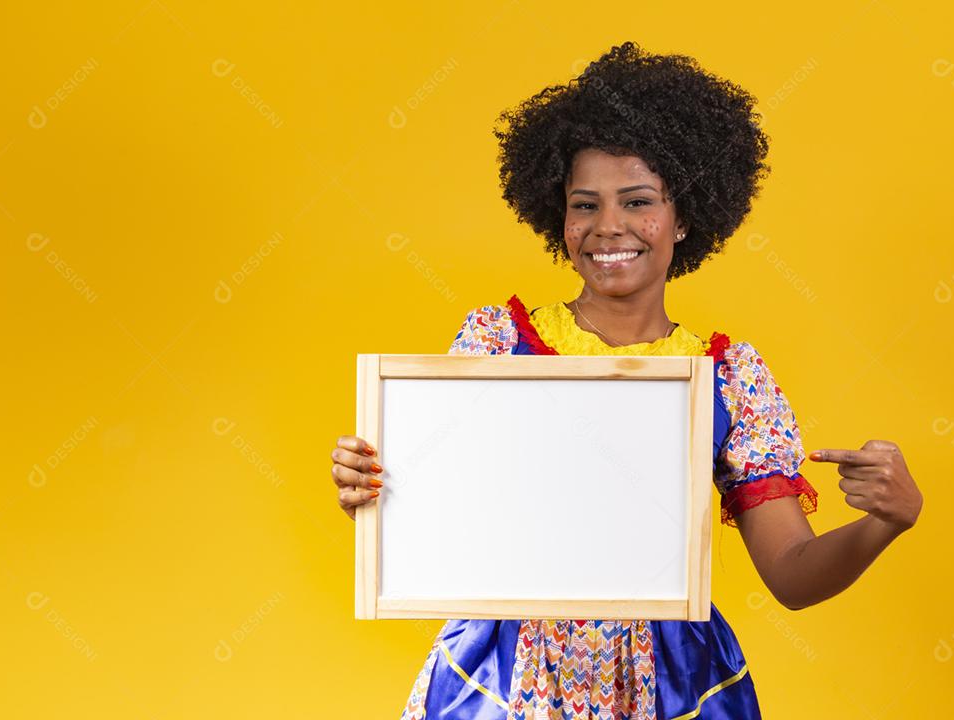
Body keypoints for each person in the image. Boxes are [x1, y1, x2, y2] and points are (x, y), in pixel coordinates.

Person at [331, 41, 923, 719]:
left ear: (684, 217)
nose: (608, 227)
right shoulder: (497, 344)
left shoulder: (729, 378)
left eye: (638, 201)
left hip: (668, 682)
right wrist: (376, 491)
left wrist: (885, 523)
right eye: (584, 205)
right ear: (559, 217)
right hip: (507, 676)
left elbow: (792, 575)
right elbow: (444, 519)